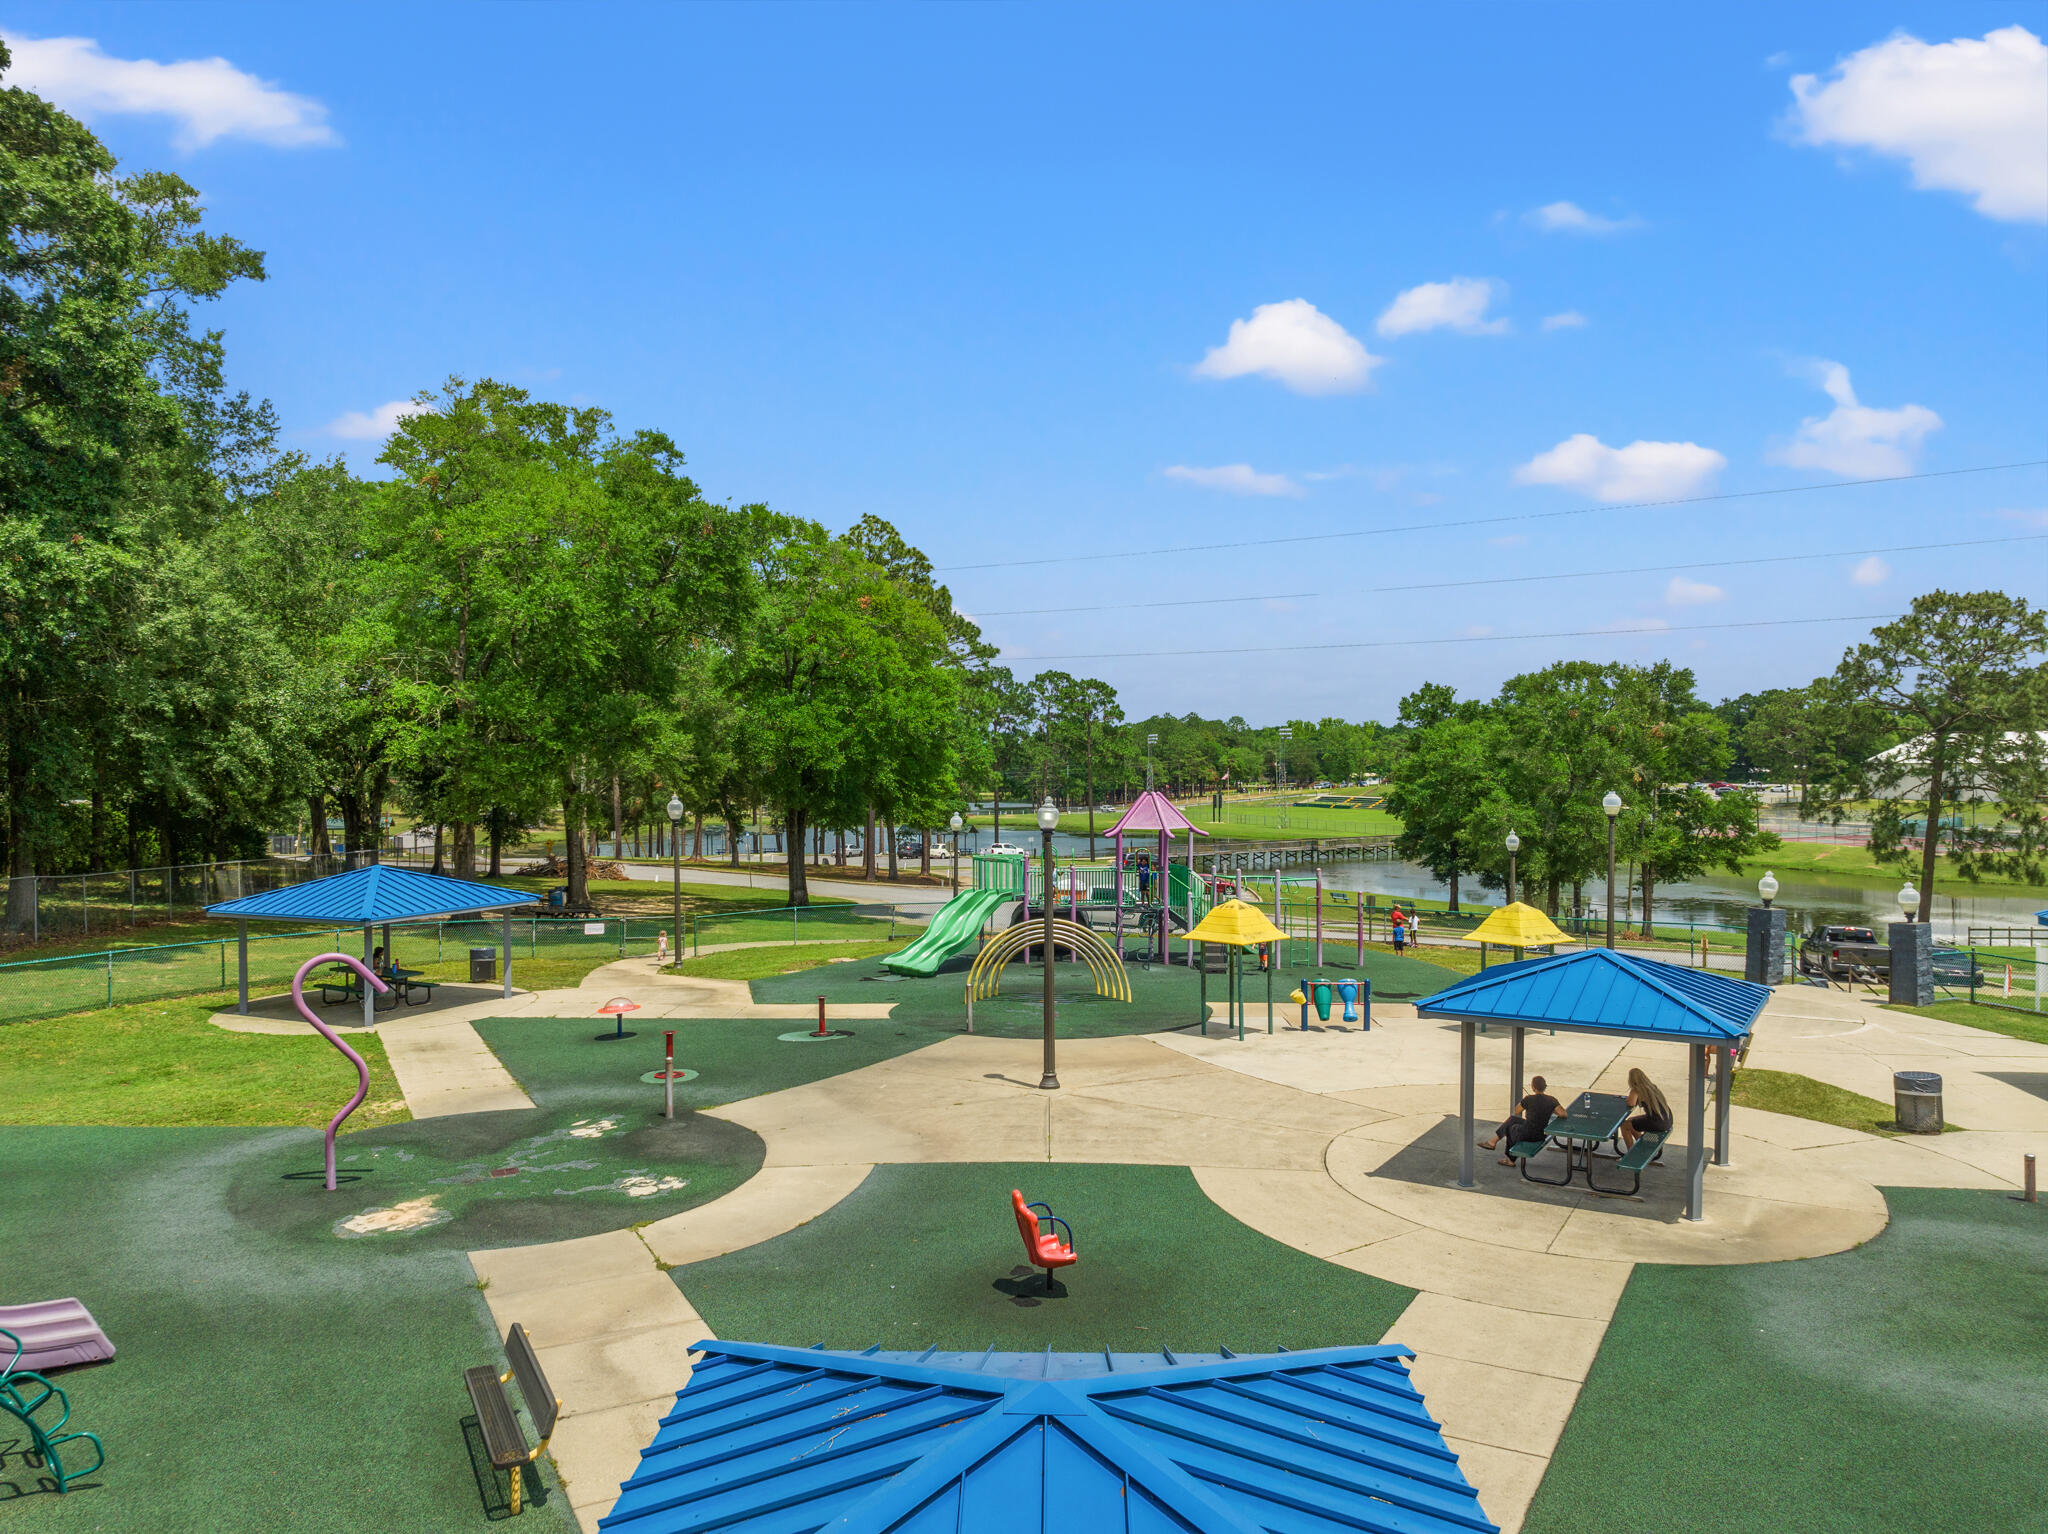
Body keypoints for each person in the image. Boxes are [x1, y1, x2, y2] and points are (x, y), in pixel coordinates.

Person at [1481, 1075, 1561, 1165]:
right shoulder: (1551, 1100)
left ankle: (1509, 1159)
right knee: (1512, 1120)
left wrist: (1526, 1103)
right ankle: (1492, 1142)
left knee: (1510, 1128)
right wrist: (1551, 1109)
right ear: (1544, 1087)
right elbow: (1563, 1113)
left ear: (1533, 1087)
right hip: (1541, 1134)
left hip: (1528, 1134)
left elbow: (1516, 1111)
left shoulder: (1529, 1099)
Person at [1620, 1067, 1673, 1149]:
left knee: (1624, 1125)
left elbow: (1631, 1103)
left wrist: (1632, 1091)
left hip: (1657, 1122)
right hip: (1667, 1119)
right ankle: (1641, 1145)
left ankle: (1630, 1153)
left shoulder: (1637, 1089)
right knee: (1631, 1120)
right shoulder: (1652, 1087)